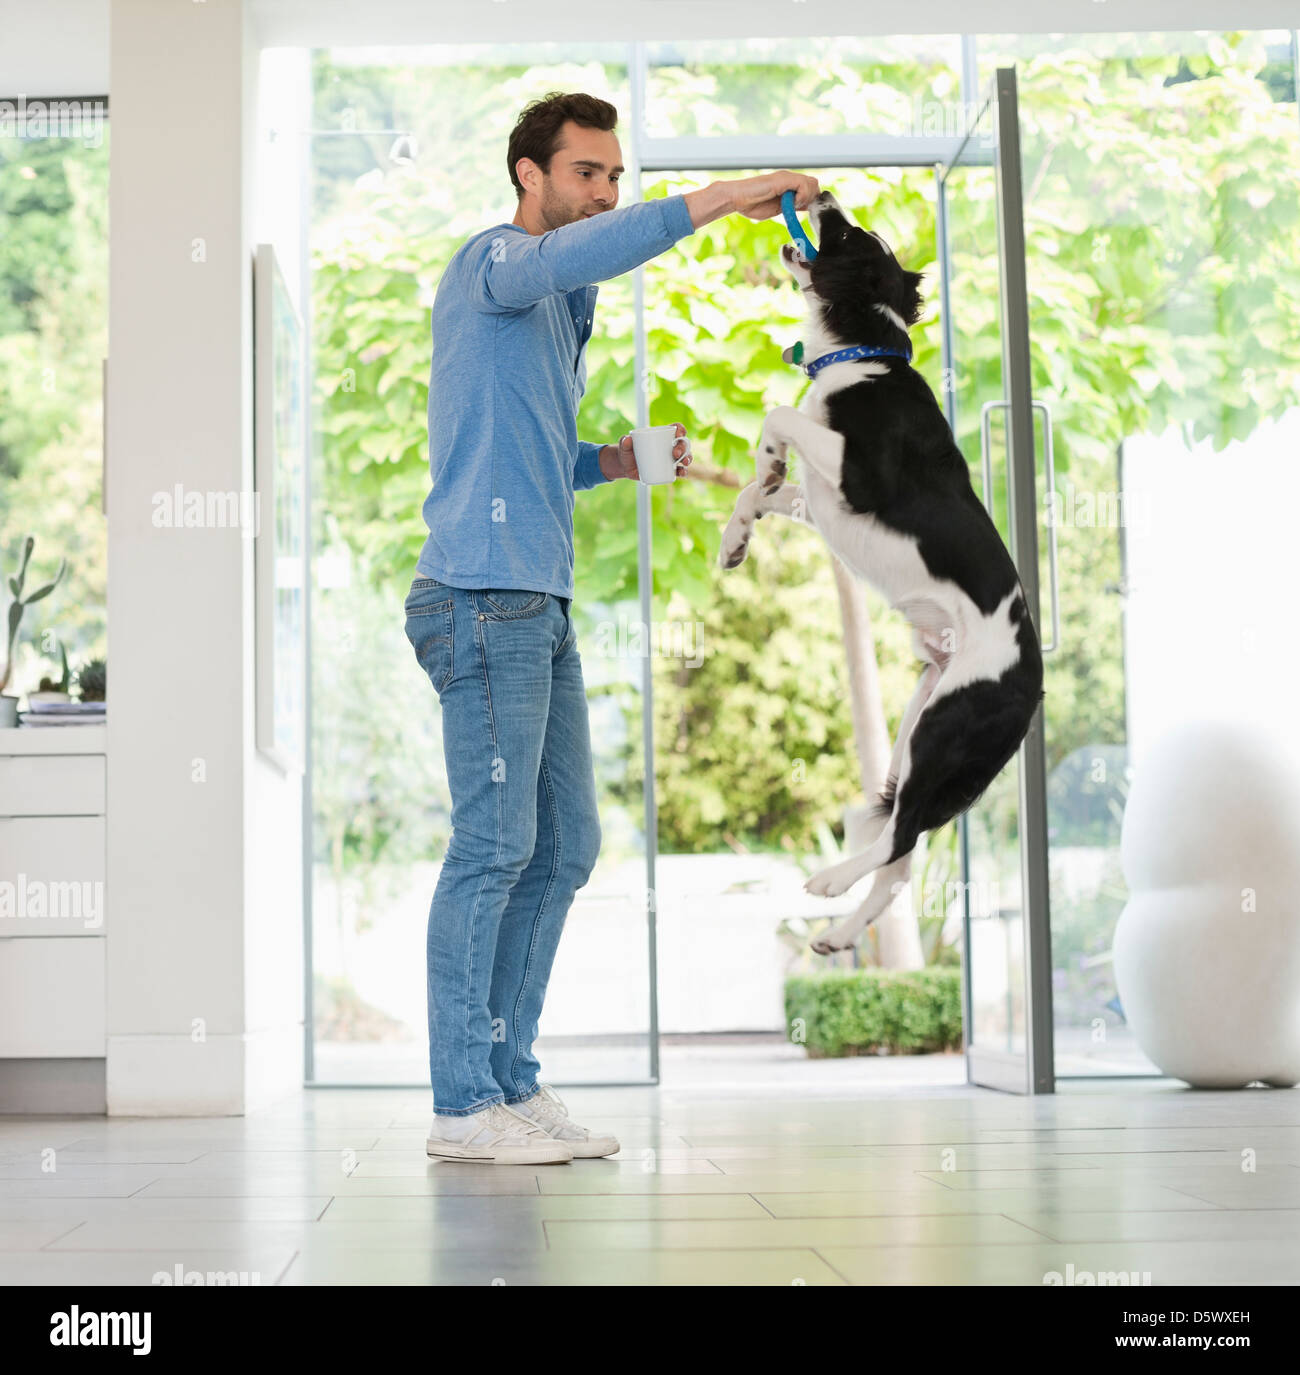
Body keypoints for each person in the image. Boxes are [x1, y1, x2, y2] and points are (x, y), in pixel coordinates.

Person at [404, 90, 820, 1164]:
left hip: (533, 601)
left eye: (614, 175)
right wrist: (724, 197)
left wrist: (617, 462)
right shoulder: (496, 262)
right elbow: (579, 253)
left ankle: (506, 1079)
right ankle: (461, 1105)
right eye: (585, 172)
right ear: (529, 175)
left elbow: (531, 450)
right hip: (479, 595)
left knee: (566, 845)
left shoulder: (556, 306)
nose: (603, 191)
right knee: (494, 846)